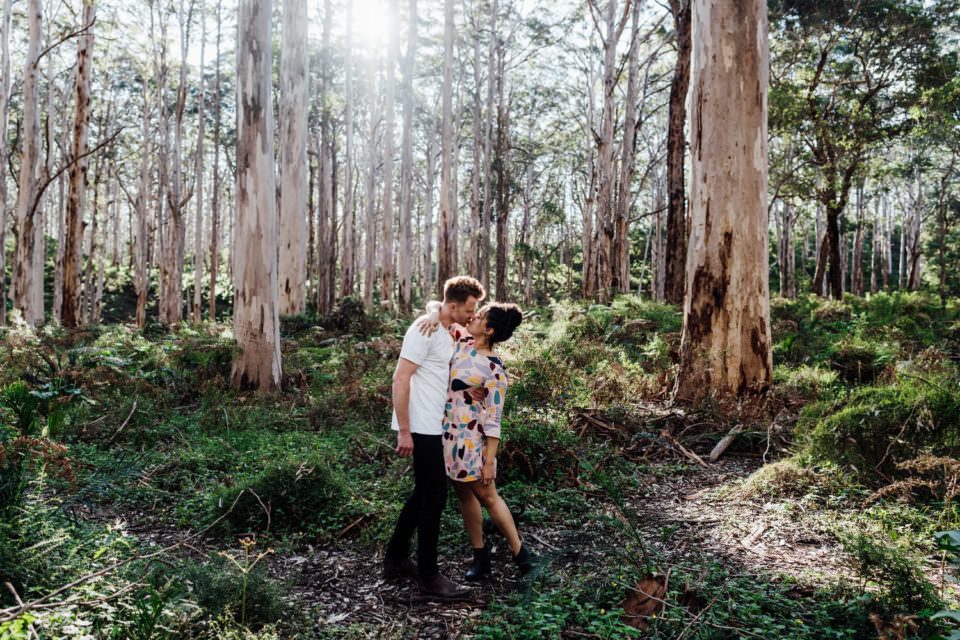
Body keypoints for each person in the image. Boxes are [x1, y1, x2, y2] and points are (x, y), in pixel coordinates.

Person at [382, 276, 484, 599]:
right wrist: (405, 430)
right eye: (469, 309)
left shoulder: (443, 328)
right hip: (420, 426)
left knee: (421, 494)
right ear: (452, 306)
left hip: (433, 424)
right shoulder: (422, 331)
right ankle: (428, 576)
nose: (473, 315)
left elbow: (442, 371)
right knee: (435, 497)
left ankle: (396, 558)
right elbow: (400, 378)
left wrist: (469, 389)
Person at [421, 301, 535, 580]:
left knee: (487, 495)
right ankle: (480, 558)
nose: (473, 316)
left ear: (490, 329)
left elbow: (495, 419)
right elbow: (437, 306)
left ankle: (524, 559)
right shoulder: (461, 341)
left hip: (472, 440)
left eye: (480, 316)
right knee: (463, 495)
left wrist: (489, 461)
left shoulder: (495, 368)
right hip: (447, 435)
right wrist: (435, 313)